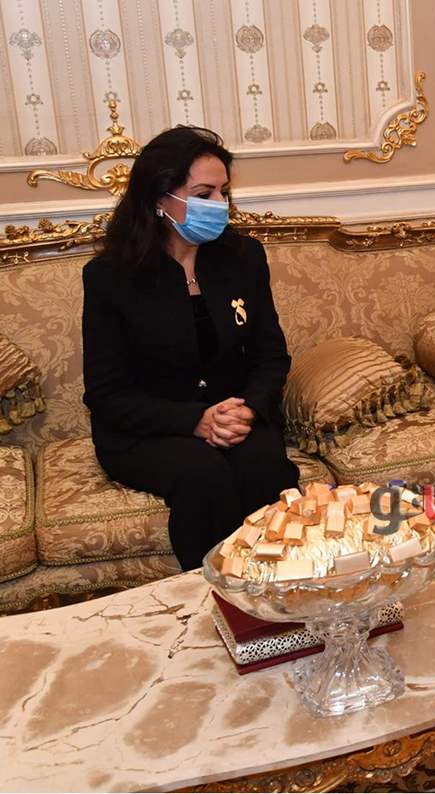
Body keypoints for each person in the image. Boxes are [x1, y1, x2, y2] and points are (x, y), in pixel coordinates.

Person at [82, 126, 298, 571]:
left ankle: (287, 584)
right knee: (204, 475)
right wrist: (194, 421)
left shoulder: (243, 257)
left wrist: (248, 410)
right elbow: (107, 393)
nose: (220, 204)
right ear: (159, 199)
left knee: (266, 467)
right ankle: (215, 594)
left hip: (235, 414)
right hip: (151, 430)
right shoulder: (110, 277)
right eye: (204, 194)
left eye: (224, 192)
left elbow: (271, 355)